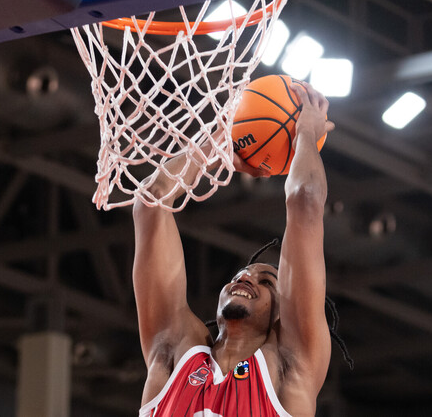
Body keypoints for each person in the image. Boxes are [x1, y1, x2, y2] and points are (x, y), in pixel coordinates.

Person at [132, 81, 339, 416]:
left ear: (281, 313)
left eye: (267, 282)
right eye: (242, 274)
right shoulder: (173, 351)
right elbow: (151, 203)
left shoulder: (290, 367)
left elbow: (305, 199)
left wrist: (305, 132)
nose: (247, 279)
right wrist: (216, 149)